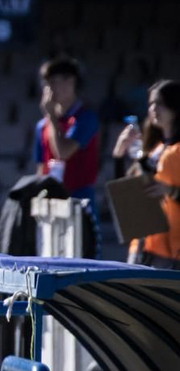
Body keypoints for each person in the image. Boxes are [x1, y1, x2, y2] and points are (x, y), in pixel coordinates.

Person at [35, 55, 101, 255]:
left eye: (54, 82)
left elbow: (63, 151)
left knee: (82, 256)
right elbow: (40, 166)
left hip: (79, 199)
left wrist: (52, 119)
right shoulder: (42, 126)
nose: (49, 89)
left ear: (70, 81)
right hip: (51, 201)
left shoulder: (85, 118)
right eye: (47, 83)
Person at [114, 80, 180, 270]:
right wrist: (119, 155)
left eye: (160, 103)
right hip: (145, 244)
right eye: (151, 103)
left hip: (173, 249)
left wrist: (170, 190)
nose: (153, 109)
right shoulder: (155, 149)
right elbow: (126, 188)